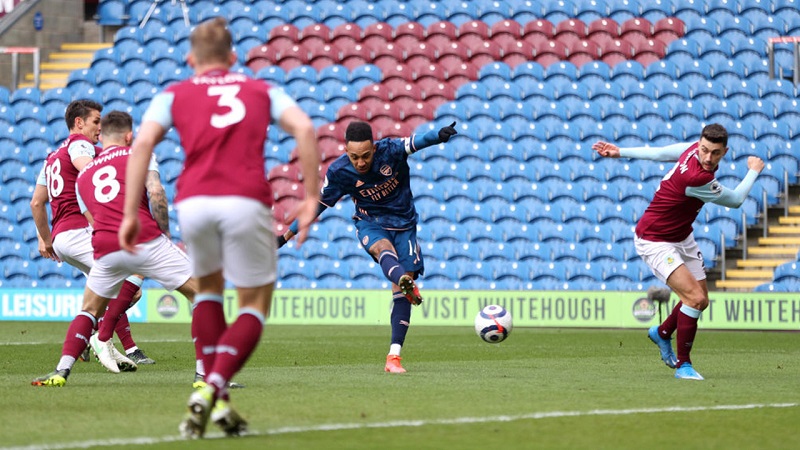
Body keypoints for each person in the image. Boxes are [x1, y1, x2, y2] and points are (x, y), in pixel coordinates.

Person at [118, 17, 320, 439]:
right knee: (254, 304)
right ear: (233, 57)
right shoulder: (260, 88)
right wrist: (310, 195)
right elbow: (303, 127)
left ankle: (219, 400)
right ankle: (211, 387)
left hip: (194, 202)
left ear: (191, 59)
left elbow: (141, 146)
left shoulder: (173, 94)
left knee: (208, 292)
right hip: (245, 200)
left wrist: (130, 213)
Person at [278, 120, 458, 374]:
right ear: (346, 152)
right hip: (370, 223)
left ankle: (393, 358)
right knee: (382, 249)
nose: (360, 163)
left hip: (405, 226)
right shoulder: (339, 172)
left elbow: (416, 142)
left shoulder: (390, 150)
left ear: (374, 148)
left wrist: (438, 136)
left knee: (401, 289)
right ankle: (404, 281)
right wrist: (285, 236)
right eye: (354, 157)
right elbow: (317, 205)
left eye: (365, 156)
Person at [592, 123, 764, 380]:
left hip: (682, 236)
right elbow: (736, 199)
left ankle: (661, 332)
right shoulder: (697, 178)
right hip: (654, 239)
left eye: (715, 153)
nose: (708, 157)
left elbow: (661, 153)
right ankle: (684, 365)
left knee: (700, 300)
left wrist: (621, 151)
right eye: (704, 150)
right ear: (699, 144)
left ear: (724, 152)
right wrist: (753, 171)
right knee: (694, 299)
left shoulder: (693, 151)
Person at [29, 100, 153, 387]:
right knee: (133, 278)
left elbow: (37, 202)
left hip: (63, 238)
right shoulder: (79, 146)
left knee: (104, 293)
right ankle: (100, 337)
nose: (101, 127)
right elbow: (89, 173)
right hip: (80, 231)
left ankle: (95, 341)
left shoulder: (51, 158)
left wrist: (46, 240)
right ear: (79, 123)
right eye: (96, 121)